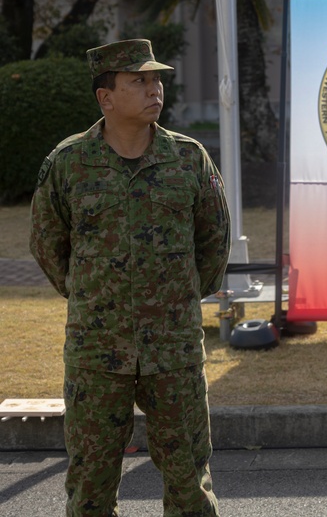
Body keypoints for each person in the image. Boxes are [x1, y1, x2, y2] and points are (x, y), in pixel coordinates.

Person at [30, 39, 231, 516]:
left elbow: (214, 243)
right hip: (97, 352)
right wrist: (91, 297)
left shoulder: (188, 159)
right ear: (106, 98)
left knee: (189, 484)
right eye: (138, 80)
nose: (153, 88)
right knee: (90, 488)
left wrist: (177, 299)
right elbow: (47, 245)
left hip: (173, 350)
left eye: (156, 79)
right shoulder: (68, 163)